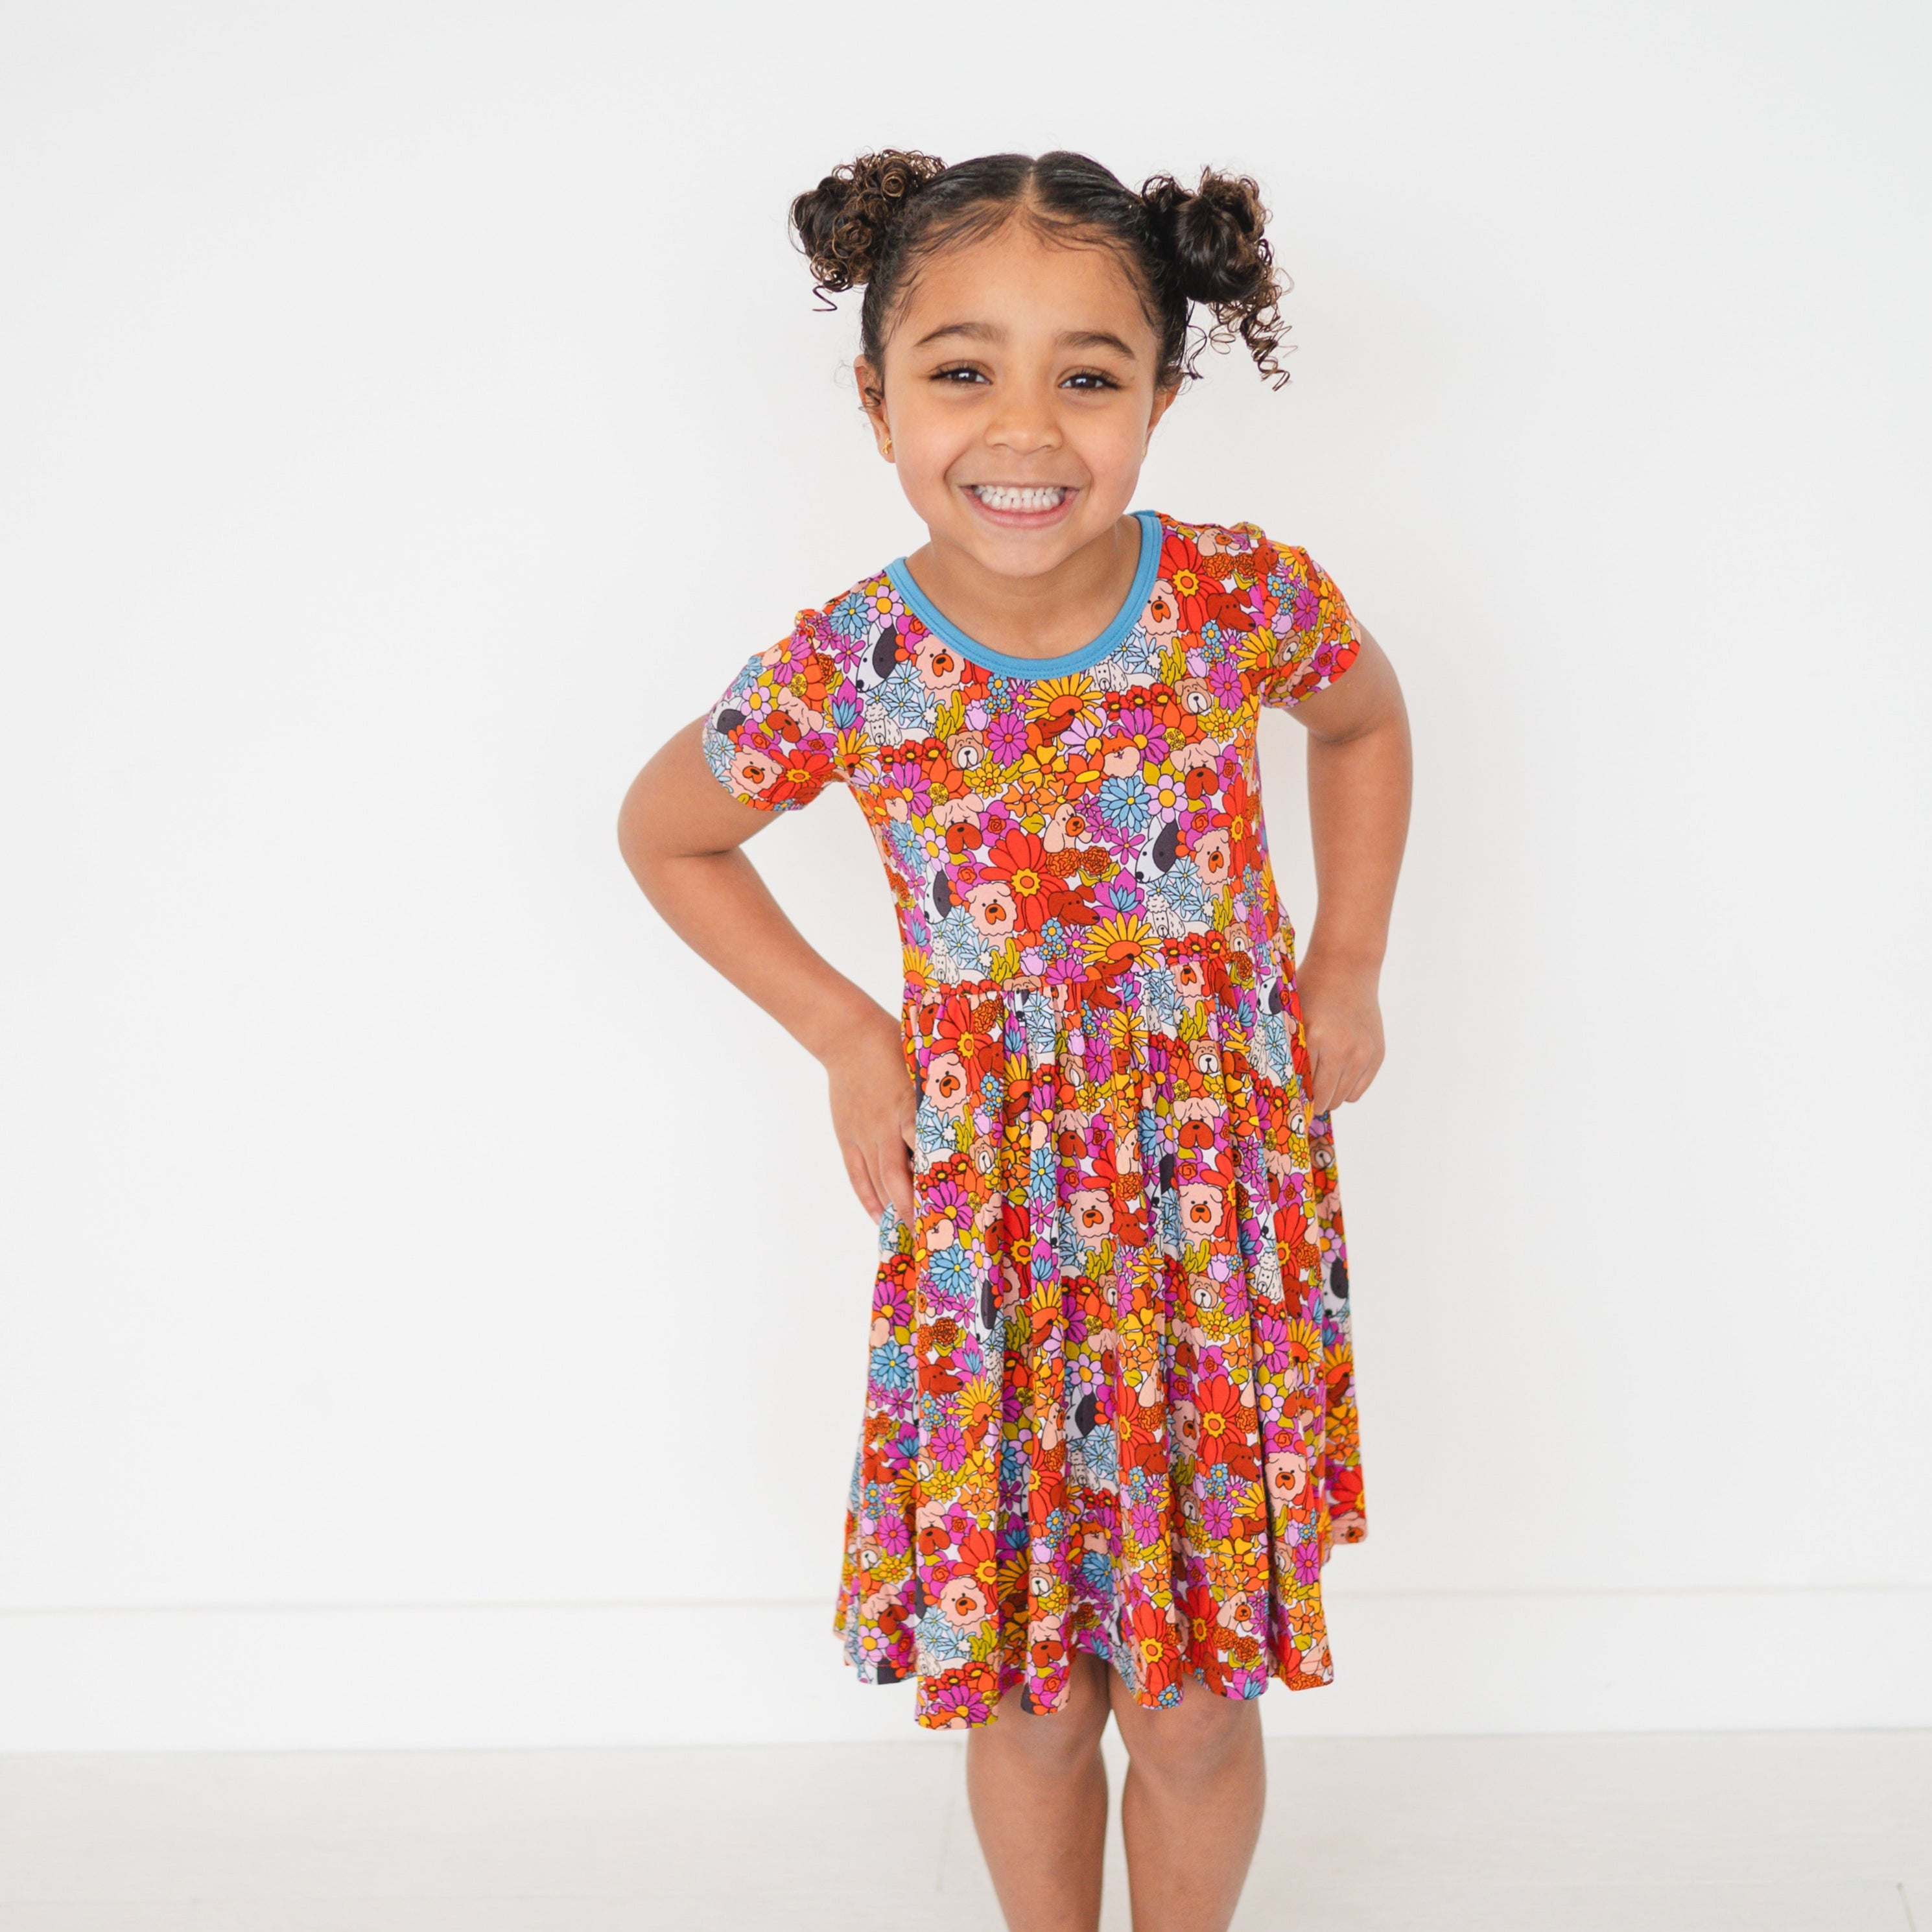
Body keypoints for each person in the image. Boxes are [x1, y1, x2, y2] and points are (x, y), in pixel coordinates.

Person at [618, 148, 1411, 1932]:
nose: (1025, 429)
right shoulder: (850, 664)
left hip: (1214, 1228)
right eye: (962, 369)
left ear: (1163, 393)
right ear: (874, 393)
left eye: (1090, 373)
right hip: (995, 1235)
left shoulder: (1236, 601)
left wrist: (1344, 956)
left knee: (1197, 1698)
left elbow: (1361, 720)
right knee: (1035, 1691)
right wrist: (846, 1033)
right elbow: (666, 830)